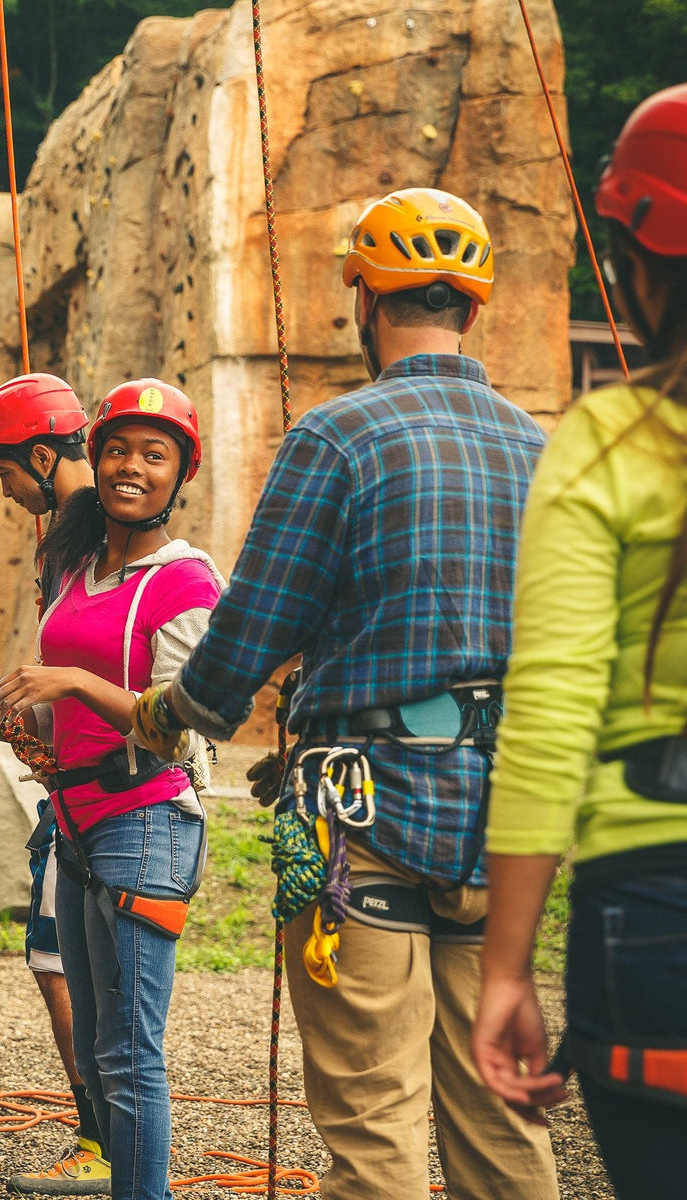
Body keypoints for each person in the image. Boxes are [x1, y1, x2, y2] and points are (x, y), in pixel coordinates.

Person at [128, 189, 560, 1198]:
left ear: (365, 297)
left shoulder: (341, 438)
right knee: (502, 1124)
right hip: (503, 824)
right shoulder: (542, 451)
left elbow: (243, 645)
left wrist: (165, 714)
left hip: (364, 820)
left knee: (373, 1129)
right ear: (475, 306)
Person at [0, 378, 225, 1200]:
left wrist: (73, 684)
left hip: (145, 818)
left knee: (128, 1054)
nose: (128, 468)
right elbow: (56, 728)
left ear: (178, 474)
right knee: (95, 1049)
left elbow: (178, 724)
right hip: (80, 819)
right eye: (116, 449)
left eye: (152, 456)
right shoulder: (79, 571)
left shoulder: (185, 581)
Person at [472, 85, 687, 1200]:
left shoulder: (614, 440)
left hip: (654, 899)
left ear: (639, 255)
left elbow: (551, 714)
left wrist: (505, 967)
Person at [0, 372, 110, 1195]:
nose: (5, 488)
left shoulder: (83, 534)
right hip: (80, 787)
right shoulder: (77, 532)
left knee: (62, 967)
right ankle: (110, 1136)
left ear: (42, 453)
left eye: (4, 469)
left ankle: (101, 1140)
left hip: (99, 795)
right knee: (68, 965)